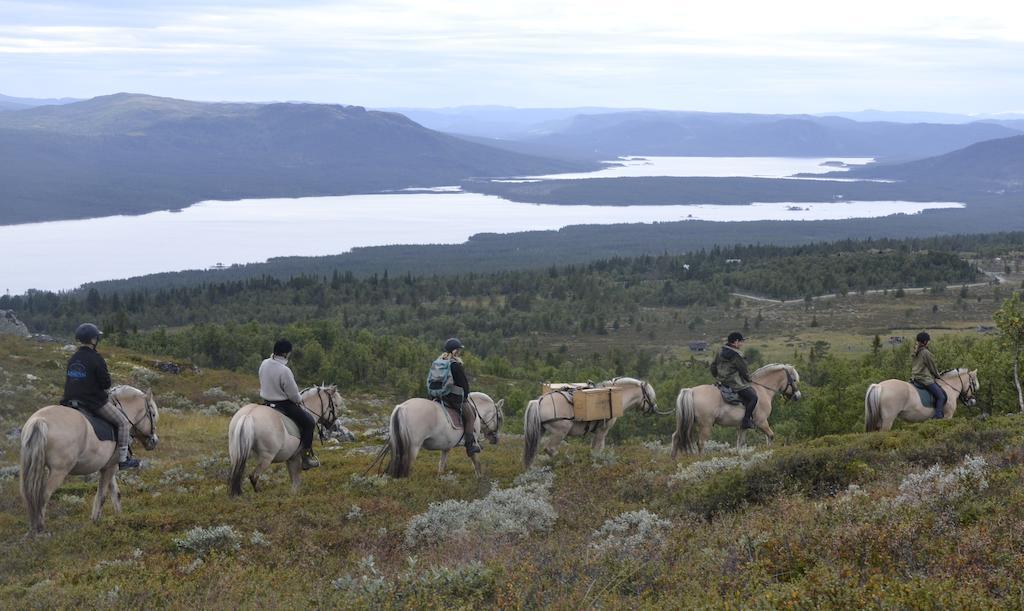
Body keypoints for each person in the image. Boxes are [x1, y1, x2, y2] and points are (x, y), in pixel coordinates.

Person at [60, 323, 140, 469]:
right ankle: (123, 460)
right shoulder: (96, 358)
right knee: (123, 422)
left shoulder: (73, 358)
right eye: (96, 337)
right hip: (91, 402)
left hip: (69, 401)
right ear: (93, 340)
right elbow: (105, 384)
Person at [259, 339, 319, 469]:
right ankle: (306, 457)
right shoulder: (284, 370)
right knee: (309, 423)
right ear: (286, 353)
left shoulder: (264, 363)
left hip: (266, 403)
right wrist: (299, 399)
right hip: (283, 405)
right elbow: (294, 396)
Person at [438, 338, 481, 456]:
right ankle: (469, 446)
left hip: (438, 397)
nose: (460, 352)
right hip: (453, 398)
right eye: (459, 350)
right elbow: (464, 385)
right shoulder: (455, 365)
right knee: (471, 416)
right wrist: (465, 396)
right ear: (455, 351)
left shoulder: (439, 362)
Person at [711, 332, 758, 429]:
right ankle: (746, 420)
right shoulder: (736, 355)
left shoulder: (719, 351)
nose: (741, 344)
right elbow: (743, 370)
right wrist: (749, 379)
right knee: (753, 397)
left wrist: (717, 376)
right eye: (741, 342)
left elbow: (713, 366)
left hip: (721, 382)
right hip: (735, 384)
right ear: (736, 342)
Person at [911, 331, 946, 419]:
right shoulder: (925, 352)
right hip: (924, 379)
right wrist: (938, 376)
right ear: (925, 342)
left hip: (915, 377)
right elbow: (932, 367)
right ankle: (938, 416)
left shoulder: (916, 351)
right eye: (928, 341)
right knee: (941, 396)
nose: (929, 342)